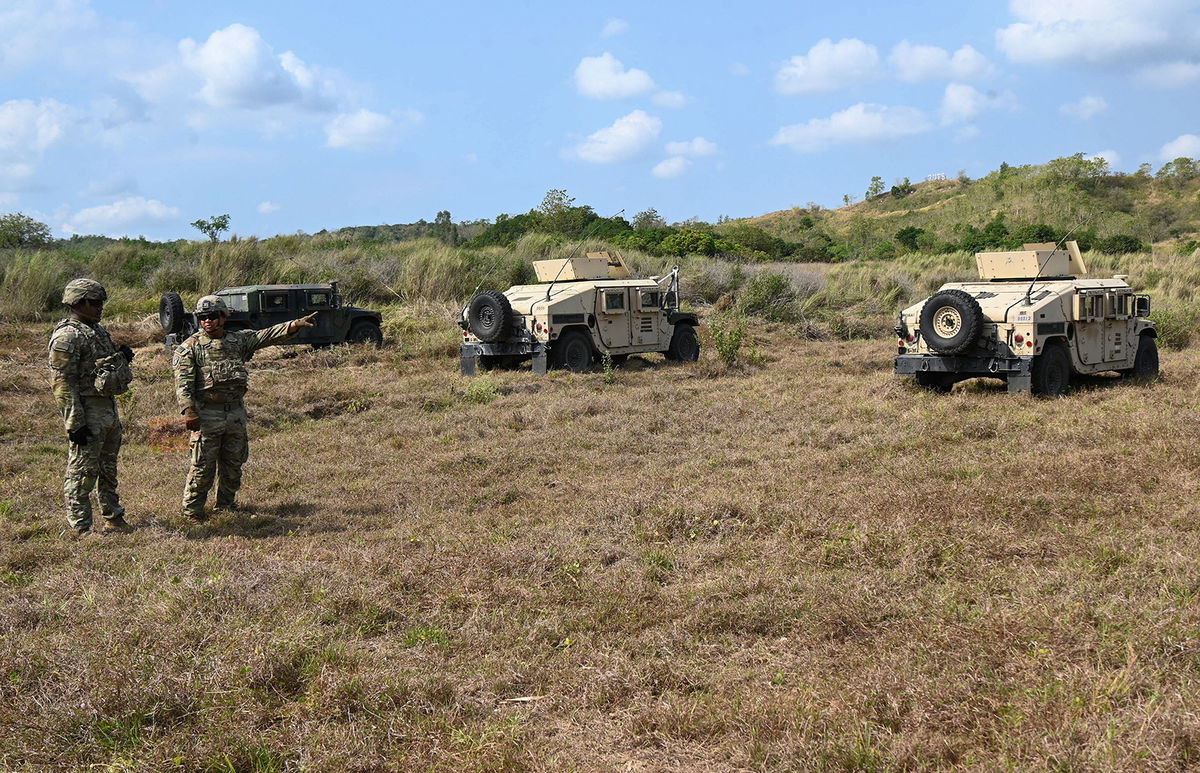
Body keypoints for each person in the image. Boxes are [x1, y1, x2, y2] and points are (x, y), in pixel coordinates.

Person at [172, 296, 317, 520]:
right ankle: (193, 512)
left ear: (223, 317)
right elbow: (183, 383)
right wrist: (189, 411)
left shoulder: (238, 341)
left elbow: (264, 336)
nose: (207, 321)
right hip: (207, 415)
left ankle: (226, 506)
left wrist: (293, 325)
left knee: (233, 464)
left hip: (235, 414)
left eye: (212, 316)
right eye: (202, 317)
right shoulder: (189, 348)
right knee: (202, 467)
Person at [48, 278, 135, 535]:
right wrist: (75, 423)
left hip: (106, 409)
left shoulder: (96, 330)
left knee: (108, 469)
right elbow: (62, 383)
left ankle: (113, 517)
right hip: (86, 411)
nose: (100, 308)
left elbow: (99, 367)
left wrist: (121, 358)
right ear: (78, 303)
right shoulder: (67, 335)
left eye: (101, 303)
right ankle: (80, 527)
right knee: (82, 472)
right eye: (95, 303)